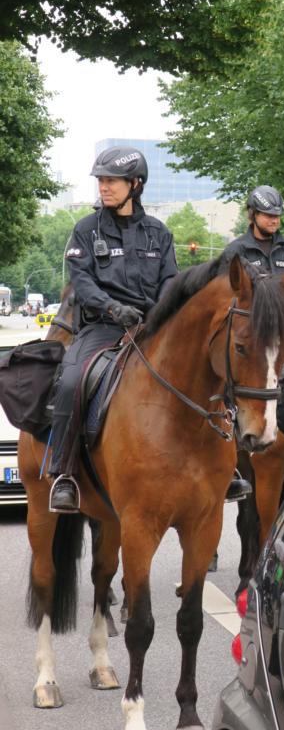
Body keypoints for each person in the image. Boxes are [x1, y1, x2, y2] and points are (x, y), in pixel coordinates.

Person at [48, 145, 179, 513]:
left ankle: (226, 463)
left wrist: (159, 314)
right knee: (71, 381)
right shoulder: (85, 230)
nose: (103, 187)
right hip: (101, 328)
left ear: (135, 184)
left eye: (112, 181)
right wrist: (112, 307)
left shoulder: (159, 233)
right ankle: (64, 472)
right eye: (101, 181)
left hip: (151, 328)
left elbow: (171, 279)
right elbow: (82, 282)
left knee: (205, 367)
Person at [221, 185, 284, 330]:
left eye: (277, 216)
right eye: (269, 215)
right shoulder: (234, 252)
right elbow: (222, 295)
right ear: (253, 214)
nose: (275, 220)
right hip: (249, 332)